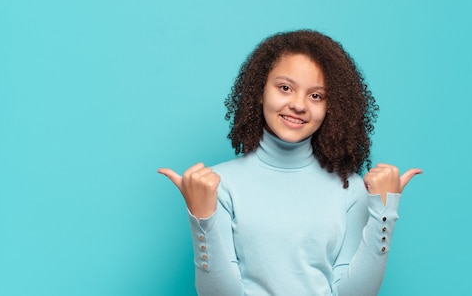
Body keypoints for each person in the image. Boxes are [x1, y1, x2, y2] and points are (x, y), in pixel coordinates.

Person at [158, 29, 422, 296]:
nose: (298, 105)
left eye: (316, 95)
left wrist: (384, 215)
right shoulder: (218, 185)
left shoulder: (350, 188)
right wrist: (202, 219)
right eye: (285, 88)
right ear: (260, 91)